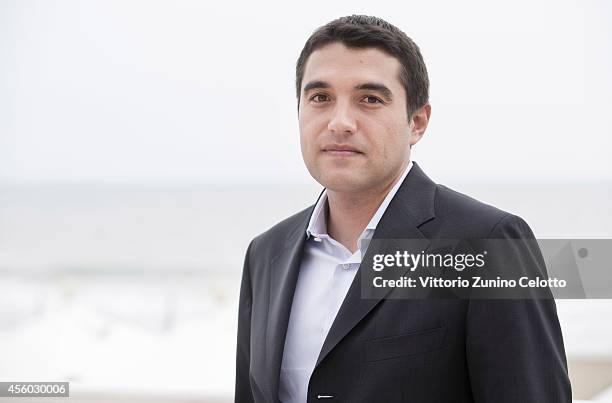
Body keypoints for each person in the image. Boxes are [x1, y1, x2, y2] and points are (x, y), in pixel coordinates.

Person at [235, 15, 571, 403]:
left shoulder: (488, 245)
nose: (340, 122)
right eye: (320, 98)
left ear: (417, 123)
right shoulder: (266, 254)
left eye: (370, 99)